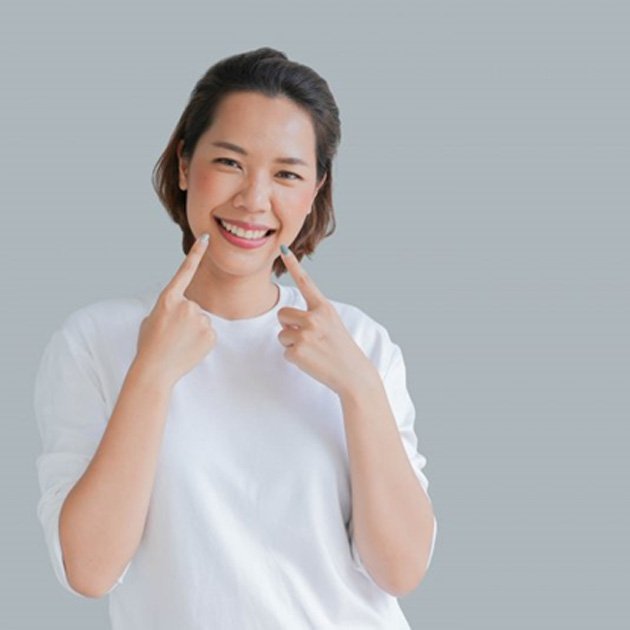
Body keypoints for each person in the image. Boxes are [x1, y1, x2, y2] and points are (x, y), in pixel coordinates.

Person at [33, 47, 437, 629]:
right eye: (229, 162)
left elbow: (399, 572)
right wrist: (151, 372)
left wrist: (359, 388)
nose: (253, 198)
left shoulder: (359, 343)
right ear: (183, 164)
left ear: (316, 189)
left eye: (287, 174)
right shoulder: (95, 341)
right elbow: (90, 571)